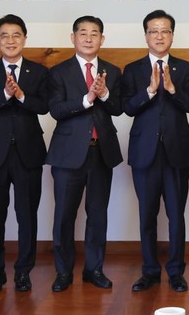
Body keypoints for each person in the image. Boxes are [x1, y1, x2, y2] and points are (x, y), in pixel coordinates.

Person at [122, 10, 189, 293]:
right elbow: (127, 107)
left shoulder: (185, 68)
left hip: (176, 152)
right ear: (146, 36)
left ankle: (176, 272)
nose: (159, 36)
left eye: (164, 31)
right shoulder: (133, 70)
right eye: (153, 31)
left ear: (172, 36)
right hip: (145, 153)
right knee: (147, 216)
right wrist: (150, 91)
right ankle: (150, 272)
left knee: (176, 216)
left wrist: (172, 89)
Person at [0, 14, 49, 294]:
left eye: (16, 35)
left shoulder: (39, 72)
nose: (10, 40)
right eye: (4, 35)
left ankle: (23, 272)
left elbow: (44, 106)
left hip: (28, 152)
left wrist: (21, 96)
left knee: (27, 215)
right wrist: (5, 95)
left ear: (25, 39)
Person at [46, 16, 123, 292]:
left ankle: (94, 269)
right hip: (68, 154)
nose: (89, 38)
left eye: (94, 34)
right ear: (73, 38)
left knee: (98, 215)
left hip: (101, 152)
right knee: (64, 216)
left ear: (102, 39)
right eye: (83, 33)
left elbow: (118, 108)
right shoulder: (58, 72)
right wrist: (87, 99)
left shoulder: (112, 71)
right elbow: (55, 110)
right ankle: (63, 272)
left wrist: (104, 95)